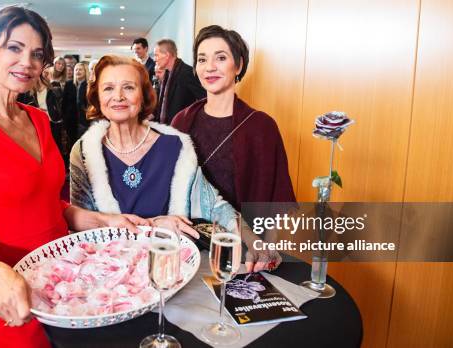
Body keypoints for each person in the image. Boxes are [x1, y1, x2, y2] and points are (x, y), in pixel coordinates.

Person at [0, 7, 148, 348]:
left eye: (36, 54)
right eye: (14, 48)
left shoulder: (38, 119)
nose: (27, 62)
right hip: (12, 292)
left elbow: (50, 203)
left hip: (67, 279)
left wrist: (103, 220)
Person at [70, 55, 277, 271]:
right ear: (97, 97)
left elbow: (213, 205)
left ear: (143, 94)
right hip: (114, 275)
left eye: (129, 87)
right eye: (108, 88)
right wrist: (154, 225)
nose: (118, 96)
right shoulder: (84, 152)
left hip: (170, 267)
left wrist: (252, 239)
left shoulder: (175, 146)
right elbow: (82, 228)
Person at [172, 25, 296, 271]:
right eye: (202, 59)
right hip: (188, 247)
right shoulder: (181, 121)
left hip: (241, 251)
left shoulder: (261, 126)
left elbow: (276, 198)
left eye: (221, 57)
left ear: (238, 65)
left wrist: (266, 250)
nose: (209, 67)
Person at [153, 38, 205, 125]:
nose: (155, 59)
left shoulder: (186, 72)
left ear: (167, 55)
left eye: (156, 55)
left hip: (182, 128)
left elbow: (203, 99)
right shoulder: (167, 74)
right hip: (168, 127)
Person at [73, 61, 90, 136]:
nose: (78, 71)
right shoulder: (72, 84)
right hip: (74, 120)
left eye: (80, 69)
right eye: (76, 70)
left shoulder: (88, 85)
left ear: (85, 71)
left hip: (85, 121)